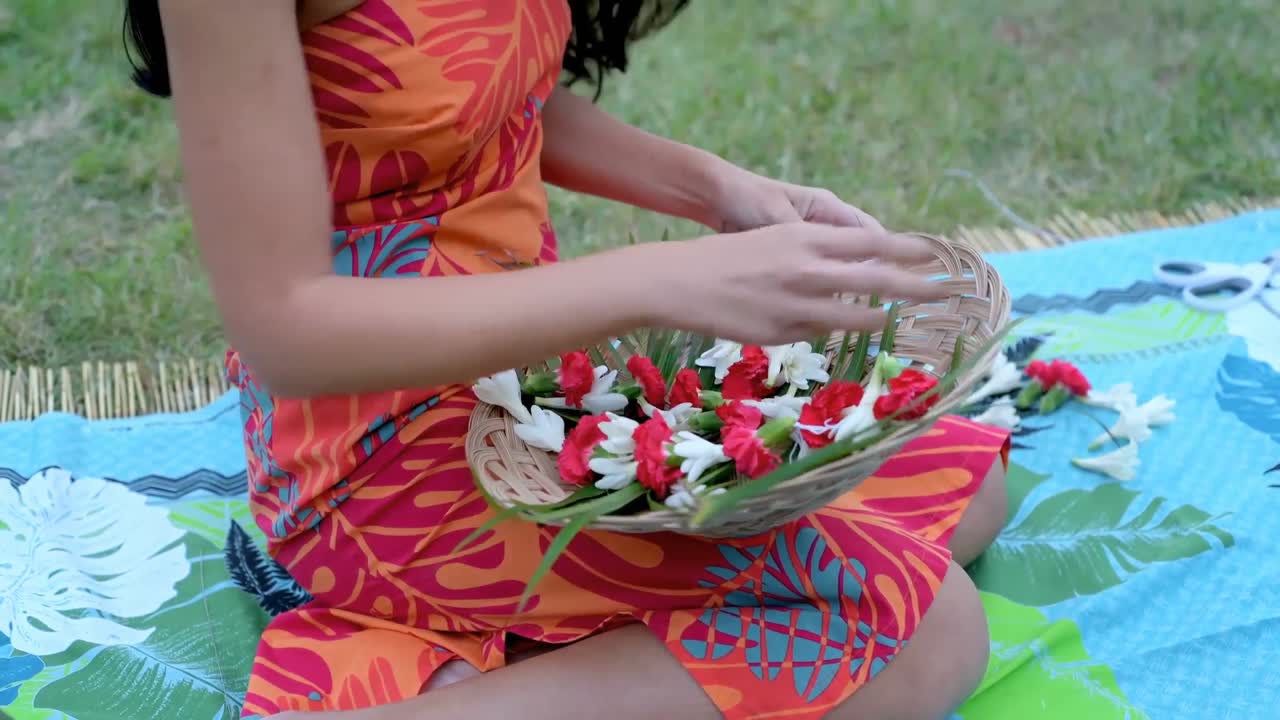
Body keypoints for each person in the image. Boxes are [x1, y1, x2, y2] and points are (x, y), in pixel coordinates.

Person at [125, 1, 1010, 718]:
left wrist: (718, 191)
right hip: (371, 452)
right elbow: (286, 329)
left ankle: (511, 657)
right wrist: (655, 280)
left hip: (533, 390)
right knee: (924, 624)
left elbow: (480, 92)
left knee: (963, 483)